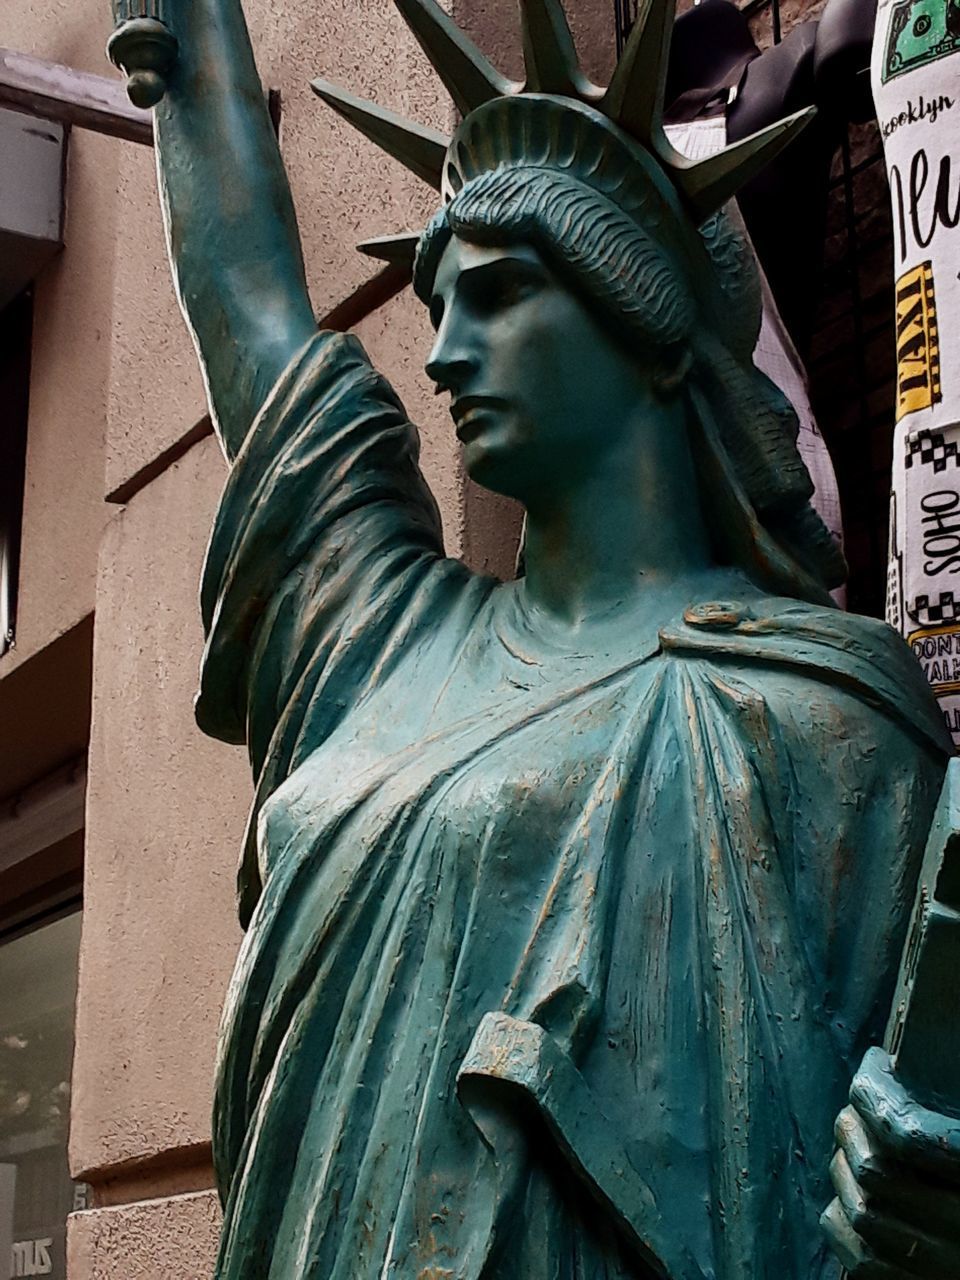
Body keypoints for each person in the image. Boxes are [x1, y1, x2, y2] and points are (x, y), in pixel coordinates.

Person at [107, 0, 957, 1274]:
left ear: (648, 325)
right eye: (439, 305)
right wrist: (183, 44)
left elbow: (895, 1141)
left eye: (498, 295)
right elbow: (249, 302)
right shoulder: (374, 637)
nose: (442, 355)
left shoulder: (818, 719)